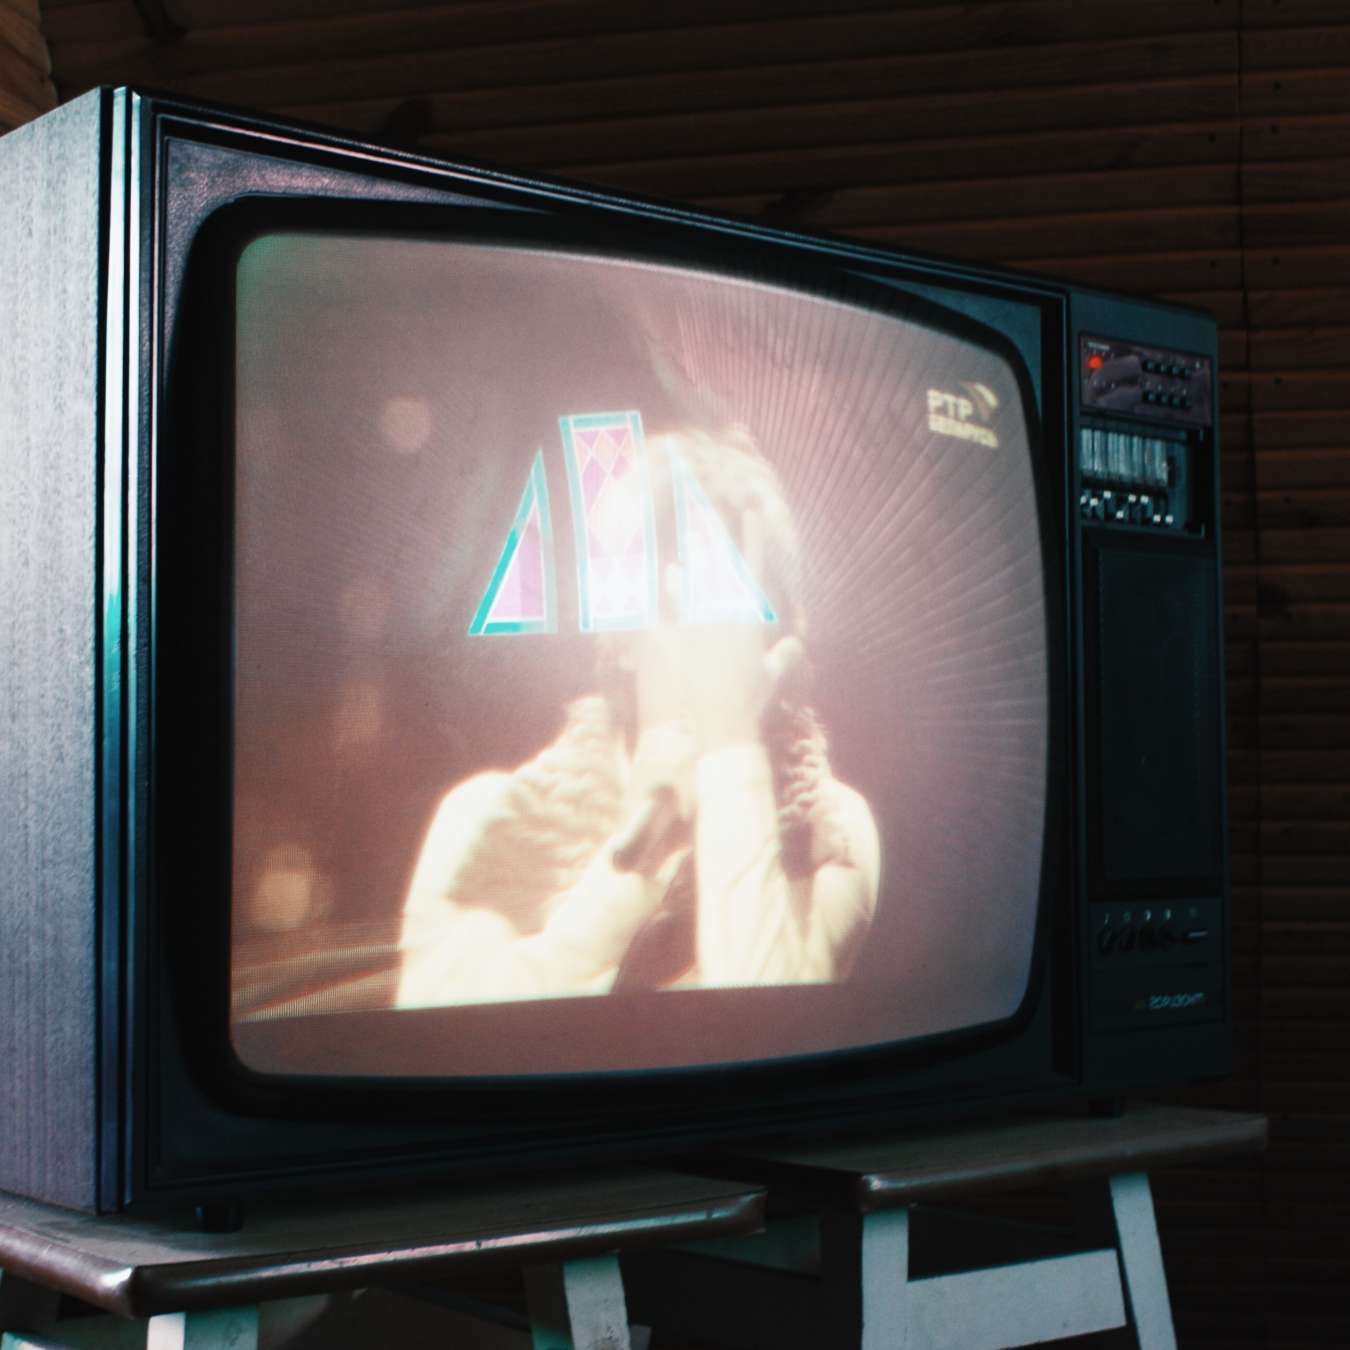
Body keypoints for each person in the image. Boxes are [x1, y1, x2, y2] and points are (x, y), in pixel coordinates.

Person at [396, 426, 879, 1007]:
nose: (717, 653)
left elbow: (768, 1027)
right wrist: (630, 866)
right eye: (688, 611)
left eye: (741, 621)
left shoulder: (830, 830)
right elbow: (450, 1040)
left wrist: (731, 747)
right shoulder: (487, 819)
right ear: (624, 633)